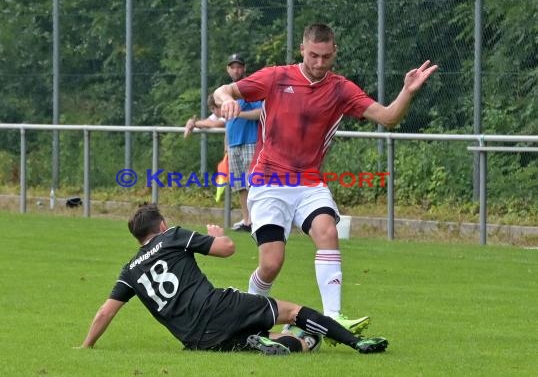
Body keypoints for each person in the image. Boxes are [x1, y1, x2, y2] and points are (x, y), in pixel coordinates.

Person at [214, 23, 438, 333]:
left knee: (327, 232)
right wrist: (226, 98)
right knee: (271, 263)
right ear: (302, 50)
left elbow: (388, 117)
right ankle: (251, 310)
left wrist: (407, 91)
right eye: (314, 56)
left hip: (309, 182)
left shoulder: (341, 88)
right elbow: (224, 90)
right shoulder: (277, 76)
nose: (320, 63)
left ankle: (332, 318)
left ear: (335, 53)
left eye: (326, 57)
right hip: (268, 182)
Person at [78, 203, 389, 355]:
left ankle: (273, 341)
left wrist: (86, 345)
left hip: (197, 340)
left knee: (275, 339)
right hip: (219, 307)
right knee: (294, 312)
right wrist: (218, 235)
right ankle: (355, 342)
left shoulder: (129, 270)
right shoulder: (171, 236)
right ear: (162, 225)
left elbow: (106, 311)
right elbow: (226, 250)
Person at [185, 54, 262, 232]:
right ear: (228, 69)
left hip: (251, 142)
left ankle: (258, 222)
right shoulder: (226, 93)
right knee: (240, 186)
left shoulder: (250, 88)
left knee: (254, 185)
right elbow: (215, 120)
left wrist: (238, 113)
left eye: (239, 66)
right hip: (234, 145)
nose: (236, 70)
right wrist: (194, 123)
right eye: (232, 67)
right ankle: (247, 221)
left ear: (244, 68)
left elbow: (262, 112)